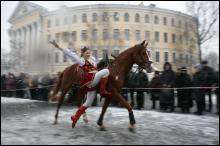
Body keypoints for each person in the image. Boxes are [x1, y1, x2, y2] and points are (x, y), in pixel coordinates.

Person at [50, 41, 111, 127]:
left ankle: (75, 118)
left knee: (87, 103)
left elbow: (98, 64)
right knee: (106, 71)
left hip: (91, 86)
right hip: (90, 81)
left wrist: (106, 60)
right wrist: (58, 46)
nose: (88, 54)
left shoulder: (93, 59)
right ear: (83, 54)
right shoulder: (81, 61)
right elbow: (70, 54)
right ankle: (102, 91)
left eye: (89, 52)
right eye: (87, 53)